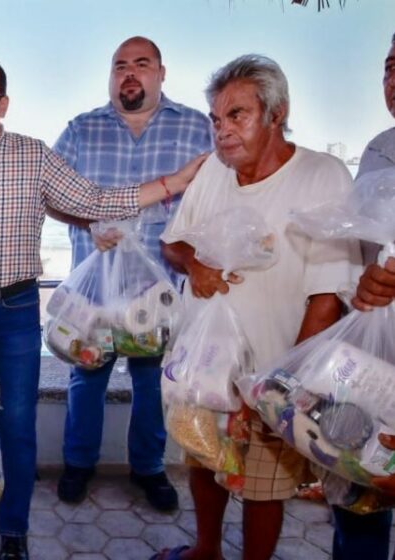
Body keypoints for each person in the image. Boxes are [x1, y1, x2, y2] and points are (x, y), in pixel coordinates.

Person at [0, 54, 206, 560]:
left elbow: (94, 199)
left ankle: (14, 524)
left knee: (16, 420)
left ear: (3, 103)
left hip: (17, 308)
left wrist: (173, 183)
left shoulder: (32, 155)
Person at [157, 54, 361, 560]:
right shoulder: (214, 174)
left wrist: (276, 388)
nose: (222, 131)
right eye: (217, 119)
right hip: (205, 364)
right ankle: (206, 550)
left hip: (276, 370)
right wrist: (195, 267)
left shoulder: (322, 175)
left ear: (276, 114)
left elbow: (326, 297)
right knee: (204, 461)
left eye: (237, 115)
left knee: (263, 486)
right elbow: (172, 244)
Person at [48, 36, 213, 509]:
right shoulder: (81, 130)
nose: (130, 73)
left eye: (142, 64)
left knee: (152, 379)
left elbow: (216, 198)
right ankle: (79, 464)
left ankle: (150, 468)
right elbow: (52, 197)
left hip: (161, 286)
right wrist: (89, 219)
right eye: (120, 65)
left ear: (161, 72)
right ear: (111, 75)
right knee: (87, 375)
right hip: (94, 289)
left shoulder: (195, 129)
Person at [329, 32, 395, 560]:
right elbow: (361, 245)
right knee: (361, 489)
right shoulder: (378, 148)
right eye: (390, 66)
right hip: (377, 347)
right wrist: (364, 278)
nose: (393, 79)